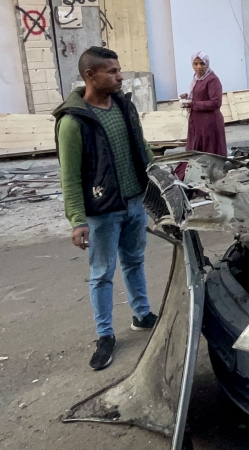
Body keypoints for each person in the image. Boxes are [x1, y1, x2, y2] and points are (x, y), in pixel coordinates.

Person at [54, 47, 157, 371]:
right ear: (90, 76)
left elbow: (142, 148)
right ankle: (105, 335)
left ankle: (142, 315)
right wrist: (77, 220)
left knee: (134, 261)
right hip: (102, 211)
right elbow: (69, 176)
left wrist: (162, 178)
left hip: (134, 203)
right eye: (111, 71)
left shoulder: (124, 106)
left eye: (119, 69)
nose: (119, 76)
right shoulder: (73, 122)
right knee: (101, 274)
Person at [176, 52, 227, 180]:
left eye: (202, 63)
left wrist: (192, 104)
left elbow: (216, 102)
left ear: (207, 64)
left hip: (209, 124)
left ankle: (208, 180)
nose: (199, 67)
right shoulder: (197, 79)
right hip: (197, 123)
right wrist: (187, 98)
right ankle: (194, 178)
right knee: (196, 152)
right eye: (195, 64)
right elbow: (200, 97)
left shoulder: (212, 80)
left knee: (208, 153)